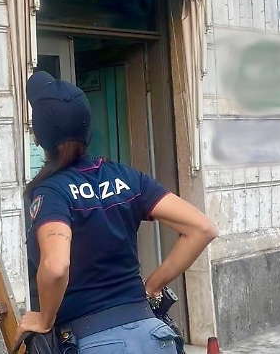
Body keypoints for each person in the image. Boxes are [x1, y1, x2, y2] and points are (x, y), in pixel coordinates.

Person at [18, 71, 217, 353]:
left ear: (38, 138)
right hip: (153, 337)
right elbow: (202, 229)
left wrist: (44, 319)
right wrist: (152, 286)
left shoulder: (51, 192)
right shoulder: (127, 177)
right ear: (88, 131)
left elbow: (56, 266)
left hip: (94, 341)